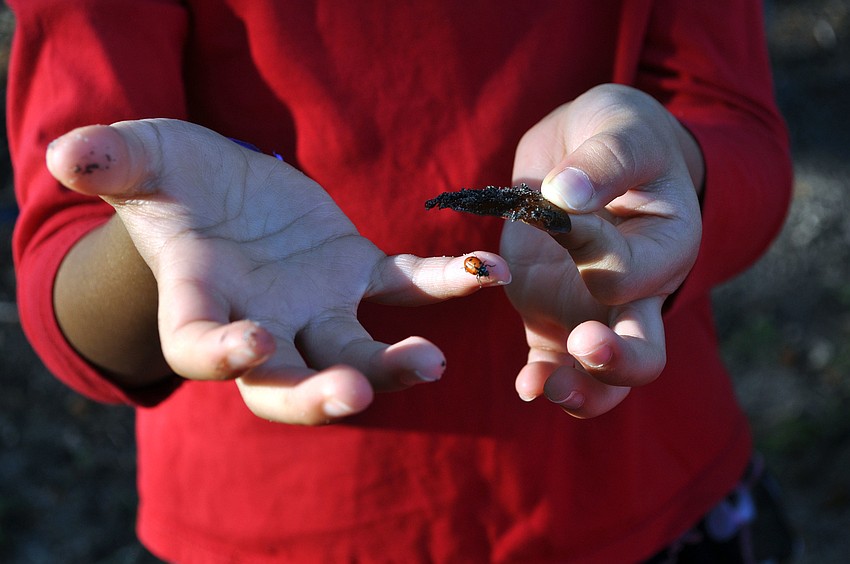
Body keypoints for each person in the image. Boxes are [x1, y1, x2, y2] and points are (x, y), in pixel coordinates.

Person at [7, 1, 794, 562]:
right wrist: (169, 227)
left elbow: (736, 125)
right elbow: (63, 268)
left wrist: (672, 170)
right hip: (274, 521)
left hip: (647, 483)